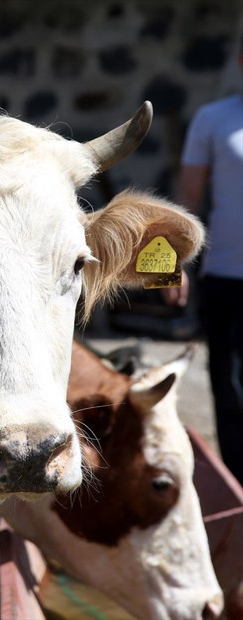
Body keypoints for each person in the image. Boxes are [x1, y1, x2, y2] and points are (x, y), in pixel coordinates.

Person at [165, 50, 243, 483]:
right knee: (231, 391)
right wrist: (167, 266)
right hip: (228, 277)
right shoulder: (213, 119)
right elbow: (185, 201)